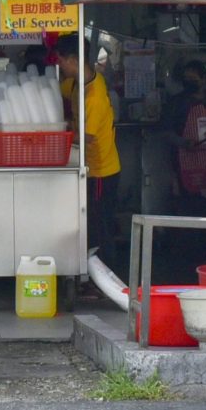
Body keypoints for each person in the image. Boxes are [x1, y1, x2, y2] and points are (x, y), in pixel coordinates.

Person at [51, 34, 122, 249]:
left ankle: (104, 266)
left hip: (101, 171)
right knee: (91, 221)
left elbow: (86, 137)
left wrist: (54, 134)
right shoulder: (78, 83)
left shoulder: (94, 96)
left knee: (99, 225)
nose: (59, 66)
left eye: (60, 61)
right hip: (89, 166)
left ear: (73, 60)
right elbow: (56, 90)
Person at [168, 60, 206, 203]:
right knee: (192, 204)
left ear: (204, 79)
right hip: (189, 166)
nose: (188, 82)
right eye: (186, 79)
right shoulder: (177, 103)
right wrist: (183, 142)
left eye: (193, 79)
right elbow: (167, 133)